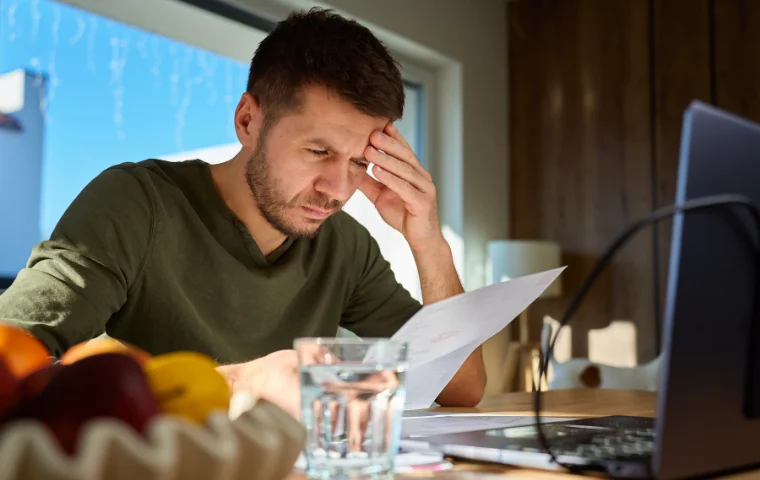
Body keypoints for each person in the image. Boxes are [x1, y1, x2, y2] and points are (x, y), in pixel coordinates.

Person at [0, 8, 486, 417]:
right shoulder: (135, 204)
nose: (339, 189)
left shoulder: (345, 246)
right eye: (318, 151)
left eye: (360, 161)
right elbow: (10, 365)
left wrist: (427, 240)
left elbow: (461, 387)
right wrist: (243, 381)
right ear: (248, 121)